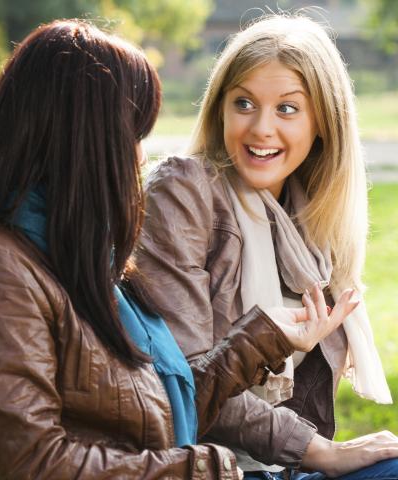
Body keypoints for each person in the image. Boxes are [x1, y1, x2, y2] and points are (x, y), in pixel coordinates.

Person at [0, 19, 358, 480]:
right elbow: (32, 465)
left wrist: (263, 338)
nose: (141, 157)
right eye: (132, 134)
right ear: (83, 139)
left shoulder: (71, 259)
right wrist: (201, 467)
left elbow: (161, 408)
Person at [135, 13, 398, 480]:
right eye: (244, 103)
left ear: (323, 122)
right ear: (220, 108)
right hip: (207, 466)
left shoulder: (309, 221)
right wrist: (319, 452)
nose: (260, 128)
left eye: (287, 108)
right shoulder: (185, 192)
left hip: (285, 466)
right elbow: (182, 386)